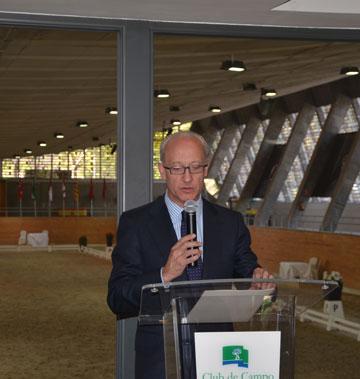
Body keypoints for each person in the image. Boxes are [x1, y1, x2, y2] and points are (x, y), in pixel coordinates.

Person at [107, 131, 271, 379]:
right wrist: (164, 274)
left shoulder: (230, 223)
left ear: (206, 169)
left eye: (195, 167)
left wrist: (260, 282)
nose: (187, 177)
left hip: (221, 361)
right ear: (162, 170)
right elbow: (117, 297)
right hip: (160, 364)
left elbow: (250, 272)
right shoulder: (136, 223)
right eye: (177, 168)